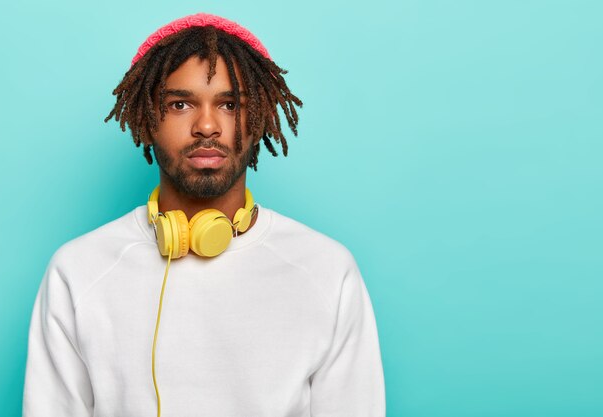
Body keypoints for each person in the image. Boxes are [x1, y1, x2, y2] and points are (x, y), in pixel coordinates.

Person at [22, 12, 386, 417]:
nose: (207, 125)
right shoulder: (78, 271)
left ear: (259, 118)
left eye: (230, 104)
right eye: (180, 104)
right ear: (146, 120)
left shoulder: (327, 271)